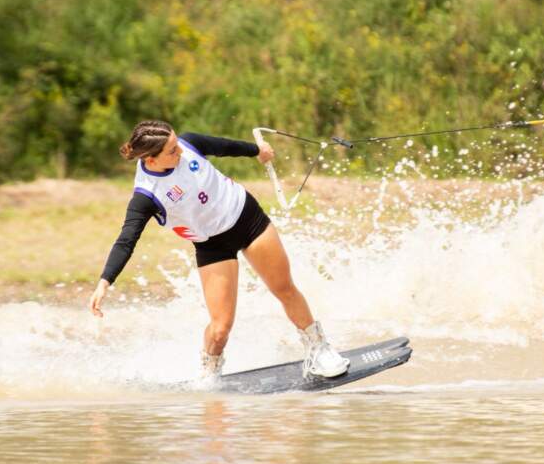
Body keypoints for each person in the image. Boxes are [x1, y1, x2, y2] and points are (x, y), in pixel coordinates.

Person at [88, 120, 349, 382]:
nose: (180, 151)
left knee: (284, 288)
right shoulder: (146, 196)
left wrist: (258, 151)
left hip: (248, 219)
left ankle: (319, 349)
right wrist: (104, 281)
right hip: (213, 245)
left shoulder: (188, 144)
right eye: (171, 151)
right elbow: (126, 239)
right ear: (151, 160)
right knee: (221, 329)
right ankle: (210, 371)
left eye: (177, 144)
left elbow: (224, 146)